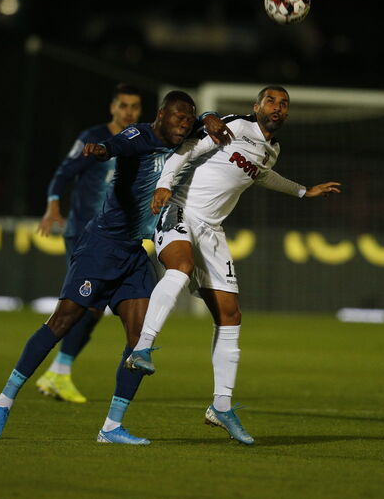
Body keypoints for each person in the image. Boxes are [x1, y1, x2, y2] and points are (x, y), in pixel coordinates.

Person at [0, 91, 232, 444]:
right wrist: (101, 151)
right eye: (177, 117)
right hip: (102, 246)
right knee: (63, 321)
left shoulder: (187, 136)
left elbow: (209, 120)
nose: (182, 124)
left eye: (187, 120)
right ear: (160, 115)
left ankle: (112, 426)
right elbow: (114, 145)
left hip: (134, 254)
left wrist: (209, 116)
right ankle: (2, 403)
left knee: (139, 341)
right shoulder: (139, 137)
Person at [125, 86, 342, 445]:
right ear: (256, 106)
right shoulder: (236, 126)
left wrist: (304, 191)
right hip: (180, 208)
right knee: (178, 268)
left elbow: (261, 175)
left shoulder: (272, 149)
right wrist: (164, 186)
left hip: (211, 229)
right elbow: (186, 150)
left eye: (283, 103)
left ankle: (221, 407)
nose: (277, 107)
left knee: (230, 315)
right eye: (271, 100)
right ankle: (142, 348)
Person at [33, 83, 143, 403]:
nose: (129, 112)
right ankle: (55, 372)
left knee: (92, 310)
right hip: (83, 233)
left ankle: (58, 372)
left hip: (113, 238)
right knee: (84, 305)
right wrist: (53, 204)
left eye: (134, 107)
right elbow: (64, 172)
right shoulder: (93, 137)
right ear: (112, 107)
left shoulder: (140, 141)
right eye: (123, 105)